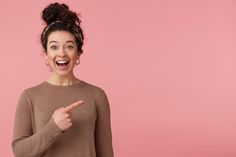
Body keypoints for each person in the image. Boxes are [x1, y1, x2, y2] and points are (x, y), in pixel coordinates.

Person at [11, 2, 114, 157]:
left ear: (78, 53)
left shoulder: (97, 95)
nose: (61, 54)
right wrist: (54, 127)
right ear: (46, 55)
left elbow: (106, 153)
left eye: (69, 46)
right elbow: (19, 152)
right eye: (54, 47)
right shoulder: (29, 96)